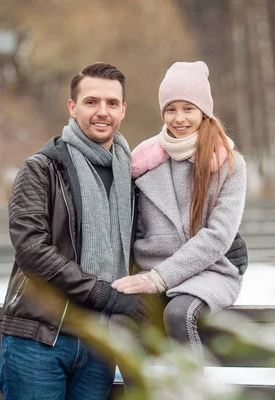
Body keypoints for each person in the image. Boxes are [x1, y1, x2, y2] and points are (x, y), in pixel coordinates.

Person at [0, 62, 149, 400]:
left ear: (123, 110)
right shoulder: (41, 170)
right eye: (91, 101)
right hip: (39, 341)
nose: (102, 112)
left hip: (100, 344)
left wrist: (223, 246)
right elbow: (32, 252)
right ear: (72, 107)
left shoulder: (133, 178)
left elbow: (159, 234)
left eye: (112, 103)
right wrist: (102, 293)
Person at [112, 61, 247, 358]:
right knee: (120, 323)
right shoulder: (142, 162)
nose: (179, 118)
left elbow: (218, 235)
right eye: (171, 109)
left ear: (203, 111)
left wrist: (160, 277)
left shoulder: (228, 163)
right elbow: (130, 227)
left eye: (188, 108)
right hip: (150, 272)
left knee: (178, 315)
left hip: (208, 272)